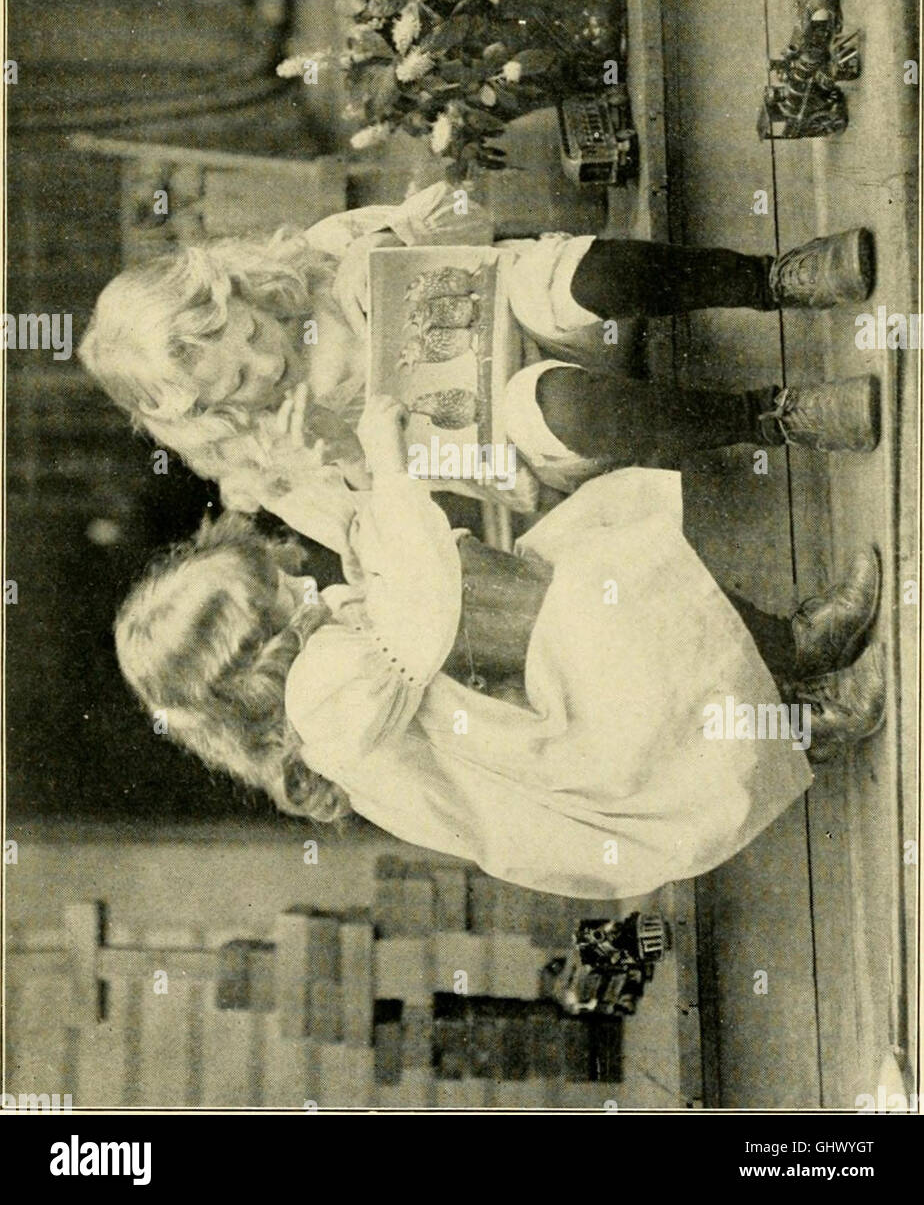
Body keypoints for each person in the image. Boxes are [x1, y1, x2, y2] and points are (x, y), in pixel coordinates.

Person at [114, 396, 883, 900]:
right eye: (278, 598)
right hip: (546, 760)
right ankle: (810, 719)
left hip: (514, 717)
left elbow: (390, 604)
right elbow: (420, 611)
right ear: (256, 655)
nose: (297, 584)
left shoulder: (319, 669)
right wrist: (387, 464)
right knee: (614, 623)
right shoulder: (318, 696)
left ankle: (791, 647)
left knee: (601, 579)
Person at [80, 180, 880, 556]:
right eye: (240, 385)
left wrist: (418, 228)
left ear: (236, 288)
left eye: (249, 331)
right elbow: (391, 548)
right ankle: (778, 415)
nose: (265, 361)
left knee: (584, 277)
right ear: (216, 417)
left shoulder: (316, 258)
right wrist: (337, 463)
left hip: (511, 304)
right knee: (565, 407)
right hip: (502, 415)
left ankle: (772, 279)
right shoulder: (276, 469)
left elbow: (474, 217)